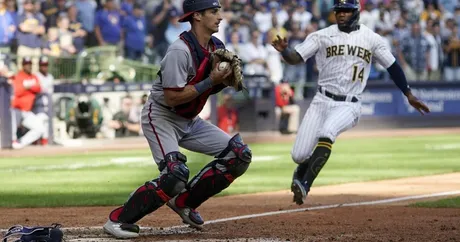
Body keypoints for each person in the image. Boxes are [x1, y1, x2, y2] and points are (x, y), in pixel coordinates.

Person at [103, 0, 252, 239]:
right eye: (214, 11)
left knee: (239, 155)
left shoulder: (216, 46)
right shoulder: (179, 51)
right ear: (197, 16)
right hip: (162, 115)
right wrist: (211, 82)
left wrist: (221, 83)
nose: (220, 16)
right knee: (175, 175)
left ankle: (184, 201)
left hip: (189, 119)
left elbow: (203, 90)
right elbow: (173, 98)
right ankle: (118, 220)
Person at [271, 0, 430, 206]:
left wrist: (408, 93)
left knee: (327, 132)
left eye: (346, 10)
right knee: (298, 155)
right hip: (321, 100)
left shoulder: (371, 38)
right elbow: (295, 57)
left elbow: (392, 66)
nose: (341, 14)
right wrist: (284, 51)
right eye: (338, 10)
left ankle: (305, 185)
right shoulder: (322, 35)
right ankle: (302, 170)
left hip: (349, 103)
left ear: (356, 12)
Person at [10, 57, 46, 149]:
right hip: (16, 109)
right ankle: (12, 141)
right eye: (26, 64)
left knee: (40, 129)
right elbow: (17, 91)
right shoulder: (19, 76)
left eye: (30, 64)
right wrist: (29, 86)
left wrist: (27, 85)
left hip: (26, 111)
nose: (29, 66)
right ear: (23, 65)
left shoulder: (33, 76)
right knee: (13, 121)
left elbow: (39, 87)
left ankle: (20, 143)